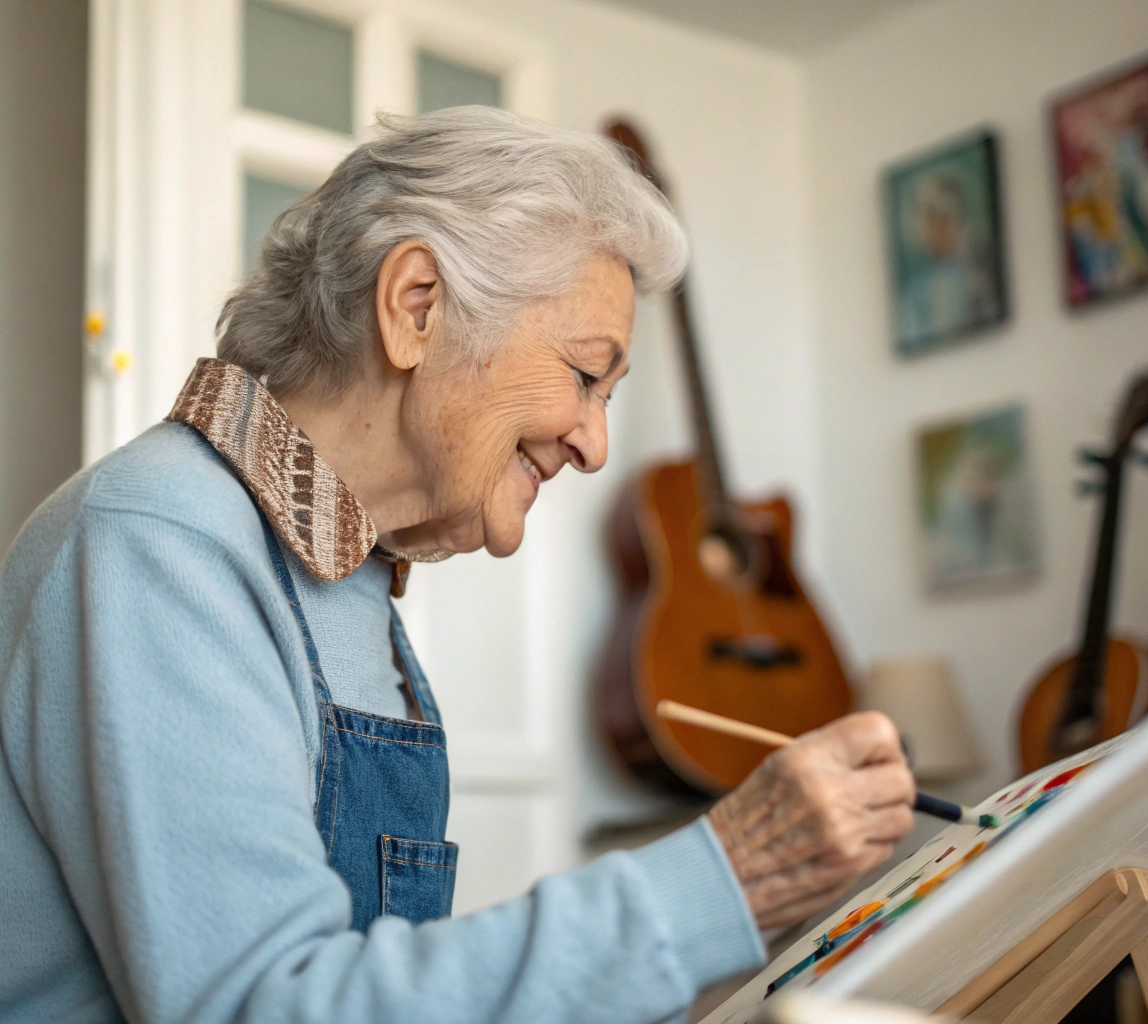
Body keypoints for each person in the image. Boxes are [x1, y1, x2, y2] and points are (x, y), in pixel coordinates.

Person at [0, 106, 916, 1024]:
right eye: (586, 376)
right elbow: (260, 1007)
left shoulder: (350, 589)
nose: (596, 445)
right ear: (416, 307)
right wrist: (727, 879)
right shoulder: (163, 542)